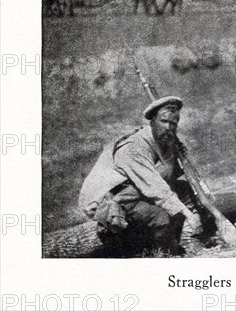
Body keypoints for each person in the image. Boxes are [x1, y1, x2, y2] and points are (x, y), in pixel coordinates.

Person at [79, 96, 203, 255]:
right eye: (164, 121)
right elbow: (154, 186)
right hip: (111, 198)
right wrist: (187, 214)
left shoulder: (163, 140)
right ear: (152, 121)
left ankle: (185, 240)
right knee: (161, 217)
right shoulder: (134, 147)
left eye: (173, 123)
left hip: (134, 190)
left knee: (185, 190)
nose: (168, 127)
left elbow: (165, 173)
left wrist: (180, 160)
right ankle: (162, 253)